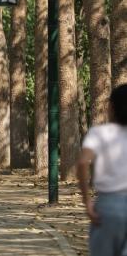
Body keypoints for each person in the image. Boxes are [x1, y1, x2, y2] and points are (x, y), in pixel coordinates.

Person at [77, 84, 127, 256]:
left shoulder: (99, 133)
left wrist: (87, 201)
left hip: (108, 206)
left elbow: (83, 163)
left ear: (111, 107)